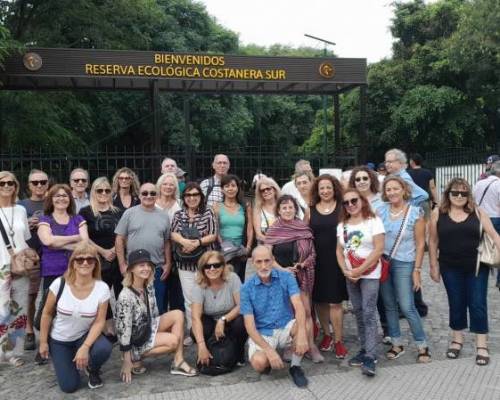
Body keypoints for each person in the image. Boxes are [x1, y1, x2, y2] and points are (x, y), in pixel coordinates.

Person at [429, 178, 500, 366]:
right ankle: (457, 339)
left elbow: (494, 234)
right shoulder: (438, 213)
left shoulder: (478, 212)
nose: (459, 196)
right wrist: (433, 266)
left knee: (477, 303)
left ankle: (482, 344)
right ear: (448, 194)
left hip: (476, 267)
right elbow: (433, 242)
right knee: (456, 302)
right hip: (449, 267)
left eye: (464, 193)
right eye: (455, 192)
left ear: (469, 195)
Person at [38, 242, 112, 393]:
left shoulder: (102, 288)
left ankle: (92, 368)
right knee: (69, 387)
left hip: (82, 337)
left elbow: (99, 321)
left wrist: (85, 347)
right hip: (60, 340)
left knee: (104, 348)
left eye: (90, 259)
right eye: (80, 259)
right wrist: (43, 342)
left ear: (95, 263)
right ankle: (65, 360)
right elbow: (46, 314)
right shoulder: (59, 284)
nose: (85, 262)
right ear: (73, 263)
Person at [116, 249, 197, 383]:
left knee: (178, 314)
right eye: (141, 265)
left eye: (148, 265)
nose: (146, 268)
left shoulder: (148, 285)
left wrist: (160, 329)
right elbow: (123, 331)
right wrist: (126, 360)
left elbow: (153, 315)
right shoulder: (125, 296)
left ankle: (178, 361)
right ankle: (134, 357)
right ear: (131, 269)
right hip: (136, 339)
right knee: (173, 340)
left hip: (148, 327)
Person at [378, 176, 431, 363]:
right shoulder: (380, 210)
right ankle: (396, 343)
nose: (392, 192)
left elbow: (420, 243)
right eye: (388, 189)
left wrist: (417, 270)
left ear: (403, 190)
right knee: (389, 305)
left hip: (404, 263)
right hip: (384, 262)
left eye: (395, 189)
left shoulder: (415, 213)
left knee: (407, 306)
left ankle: (422, 344)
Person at [240, 245, 309, 388]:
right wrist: (269, 351)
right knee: (259, 363)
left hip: (285, 326)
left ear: (273, 260)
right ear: (253, 263)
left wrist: (302, 332)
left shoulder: (287, 277)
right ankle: (270, 362)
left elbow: (298, 305)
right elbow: (250, 327)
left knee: (305, 325)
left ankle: (295, 367)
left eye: (267, 261)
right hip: (263, 332)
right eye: (259, 262)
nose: (264, 265)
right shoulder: (246, 288)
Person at [264, 194, 322, 363]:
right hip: (281, 277)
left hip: (303, 275)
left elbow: (312, 253)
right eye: (284, 207)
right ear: (279, 210)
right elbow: (267, 256)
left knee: (305, 311)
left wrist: (303, 264)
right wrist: (283, 270)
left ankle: (311, 346)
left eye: (291, 207)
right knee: (289, 314)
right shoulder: (273, 229)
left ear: (295, 209)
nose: (288, 210)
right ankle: (292, 345)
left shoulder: (304, 228)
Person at [336, 188, 385, 376]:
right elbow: (339, 251)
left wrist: (358, 270)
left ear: (362, 201)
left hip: (369, 274)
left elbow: (379, 249)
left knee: (369, 312)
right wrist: (345, 270)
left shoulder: (373, 221)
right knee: (357, 311)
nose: (350, 205)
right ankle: (364, 349)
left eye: (354, 200)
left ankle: (371, 356)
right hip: (351, 275)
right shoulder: (342, 225)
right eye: (346, 202)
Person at [170, 182, 218, 340]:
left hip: (205, 264)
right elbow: (173, 234)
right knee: (190, 299)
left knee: (209, 297)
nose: (192, 198)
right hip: (185, 264)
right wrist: (185, 242)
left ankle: (209, 330)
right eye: (188, 195)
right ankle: (193, 331)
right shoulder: (179, 214)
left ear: (201, 197)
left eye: (195, 195)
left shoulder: (208, 212)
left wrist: (196, 243)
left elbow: (213, 234)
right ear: (184, 198)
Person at [115, 182, 172, 315]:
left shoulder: (164, 216)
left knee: (158, 306)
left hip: (156, 268)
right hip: (134, 269)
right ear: (139, 195)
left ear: (157, 195)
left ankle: (158, 334)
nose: (149, 196)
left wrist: (168, 263)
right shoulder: (129, 213)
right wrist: (122, 264)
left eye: (152, 193)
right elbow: (119, 239)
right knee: (134, 307)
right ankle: (135, 335)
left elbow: (167, 242)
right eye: (145, 193)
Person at [385, 149, 429, 316]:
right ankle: (416, 304)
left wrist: (410, 208)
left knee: (407, 266)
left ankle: (416, 306)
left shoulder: (403, 177)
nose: (388, 164)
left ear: (401, 163)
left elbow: (422, 195)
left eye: (391, 161)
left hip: (407, 226)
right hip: (401, 224)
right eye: (386, 161)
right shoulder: (396, 177)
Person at [348, 166, 389, 343]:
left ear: (371, 179)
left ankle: (387, 329)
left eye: (365, 178)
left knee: (384, 297)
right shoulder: (350, 201)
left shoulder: (382, 200)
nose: (362, 182)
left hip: (382, 252)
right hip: (359, 255)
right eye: (358, 179)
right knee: (362, 302)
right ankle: (365, 334)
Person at [309, 174, 349, 357]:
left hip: (336, 261)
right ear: (317, 191)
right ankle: (327, 334)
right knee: (320, 301)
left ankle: (339, 340)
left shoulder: (343, 208)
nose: (325, 191)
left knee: (335, 302)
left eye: (328, 187)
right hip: (316, 262)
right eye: (321, 188)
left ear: (335, 189)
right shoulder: (310, 210)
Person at [79, 177, 122, 338]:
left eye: (107, 190)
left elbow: (123, 234)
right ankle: (109, 328)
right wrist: (103, 251)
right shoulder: (85, 212)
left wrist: (114, 250)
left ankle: (124, 327)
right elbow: (83, 236)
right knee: (101, 294)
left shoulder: (118, 211)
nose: (103, 193)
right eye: (99, 190)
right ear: (94, 192)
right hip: (96, 259)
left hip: (118, 259)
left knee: (121, 293)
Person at [191, 251, 247, 367]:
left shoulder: (232, 278)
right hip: (210, 320)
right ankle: (208, 350)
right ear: (202, 269)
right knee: (196, 328)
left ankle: (239, 351)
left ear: (223, 266)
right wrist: (201, 345)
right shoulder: (199, 284)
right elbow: (195, 317)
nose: (212, 269)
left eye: (216, 265)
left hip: (231, 318)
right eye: (207, 266)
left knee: (242, 322)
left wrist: (223, 319)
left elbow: (242, 305)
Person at [0, 171, 31, 367]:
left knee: (18, 310)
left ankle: (12, 352)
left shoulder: (20, 210)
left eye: (11, 183)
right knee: (2, 311)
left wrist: (28, 259)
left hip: (19, 266)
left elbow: (24, 239)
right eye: (2, 183)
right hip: (0, 265)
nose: (6, 186)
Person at [18, 169, 49, 351]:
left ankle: (47, 326)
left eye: (43, 182)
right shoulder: (21, 205)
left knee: (51, 293)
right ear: (29, 185)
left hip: (51, 253)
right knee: (31, 294)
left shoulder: (53, 201)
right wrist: (27, 225)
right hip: (30, 255)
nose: (39, 185)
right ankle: (29, 331)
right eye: (35, 182)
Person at [38, 184, 88, 291]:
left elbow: (84, 243)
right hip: (52, 270)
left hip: (76, 270)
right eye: (57, 196)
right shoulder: (45, 219)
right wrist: (76, 237)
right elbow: (47, 241)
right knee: (50, 305)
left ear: (70, 199)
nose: (61, 198)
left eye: (65, 196)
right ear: (51, 199)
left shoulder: (78, 219)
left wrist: (55, 243)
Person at [212, 174, 253, 282]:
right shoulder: (216, 207)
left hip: (241, 250)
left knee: (239, 281)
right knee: (224, 281)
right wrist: (223, 247)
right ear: (222, 189)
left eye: (233, 185)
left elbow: (249, 228)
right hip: (224, 252)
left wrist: (248, 247)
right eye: (227, 186)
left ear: (237, 188)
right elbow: (215, 229)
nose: (230, 188)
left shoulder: (245, 206)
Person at [155, 172, 185, 312]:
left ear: (175, 187)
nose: (168, 187)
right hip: (156, 250)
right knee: (158, 289)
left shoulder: (179, 204)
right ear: (159, 186)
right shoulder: (152, 202)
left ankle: (176, 320)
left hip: (176, 251)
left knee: (176, 289)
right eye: (165, 184)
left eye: (171, 184)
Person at [473, 160, 500, 289]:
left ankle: (483, 266)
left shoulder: (479, 183)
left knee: (482, 245)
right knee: (496, 246)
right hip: (495, 218)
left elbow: (473, 201)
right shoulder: (499, 184)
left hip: (479, 217)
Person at [253, 177, 281, 243]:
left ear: (274, 190)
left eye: (268, 188)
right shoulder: (258, 209)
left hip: (282, 244)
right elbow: (258, 235)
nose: (266, 191)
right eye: (262, 190)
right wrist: (273, 241)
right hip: (264, 245)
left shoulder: (283, 206)